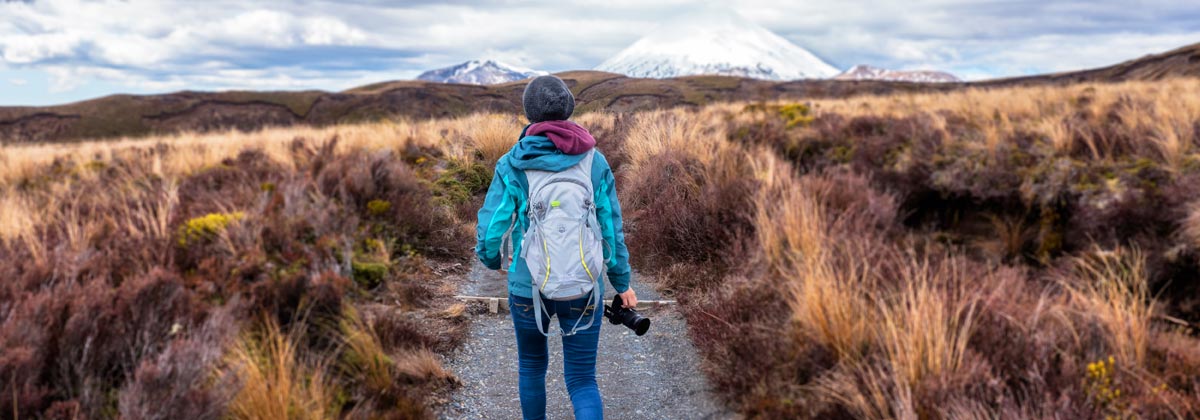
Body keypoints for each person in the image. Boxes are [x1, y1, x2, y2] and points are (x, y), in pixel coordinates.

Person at [475, 75, 635, 420]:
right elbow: (611, 230)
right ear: (568, 109)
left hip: (526, 285)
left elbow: (491, 232)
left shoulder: (511, 163)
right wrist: (621, 283)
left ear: (529, 112)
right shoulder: (595, 161)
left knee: (532, 367)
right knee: (581, 379)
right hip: (583, 284)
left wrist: (492, 261)